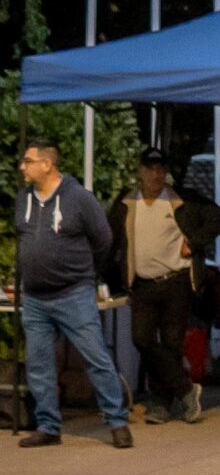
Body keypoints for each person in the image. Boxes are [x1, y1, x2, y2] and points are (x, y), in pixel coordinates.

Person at [13, 138, 128, 449]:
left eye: (28, 160)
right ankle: (48, 425)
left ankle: (117, 421)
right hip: (36, 298)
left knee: (96, 357)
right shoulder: (24, 198)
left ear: (47, 164)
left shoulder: (78, 198)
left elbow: (104, 240)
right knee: (39, 364)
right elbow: (23, 240)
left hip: (73, 294)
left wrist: (85, 274)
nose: (23, 167)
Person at [108, 148, 220, 423]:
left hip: (176, 282)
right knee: (142, 339)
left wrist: (193, 241)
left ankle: (161, 403)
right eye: (150, 169)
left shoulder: (181, 200)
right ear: (140, 171)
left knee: (171, 343)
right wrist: (110, 278)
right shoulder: (126, 203)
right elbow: (109, 240)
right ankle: (185, 389)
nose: (156, 174)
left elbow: (218, 218)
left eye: (161, 169)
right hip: (143, 284)